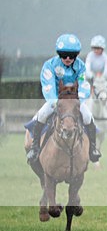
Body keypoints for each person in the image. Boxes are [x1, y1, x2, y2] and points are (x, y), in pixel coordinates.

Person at [26, 34, 103, 164]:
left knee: (88, 117)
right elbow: (48, 86)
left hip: (74, 101)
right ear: (59, 53)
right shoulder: (49, 65)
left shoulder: (81, 67)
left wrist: (78, 101)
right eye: (64, 54)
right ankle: (34, 148)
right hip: (55, 100)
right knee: (41, 115)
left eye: (71, 55)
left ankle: (92, 149)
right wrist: (56, 102)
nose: (67, 58)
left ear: (76, 55)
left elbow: (83, 85)